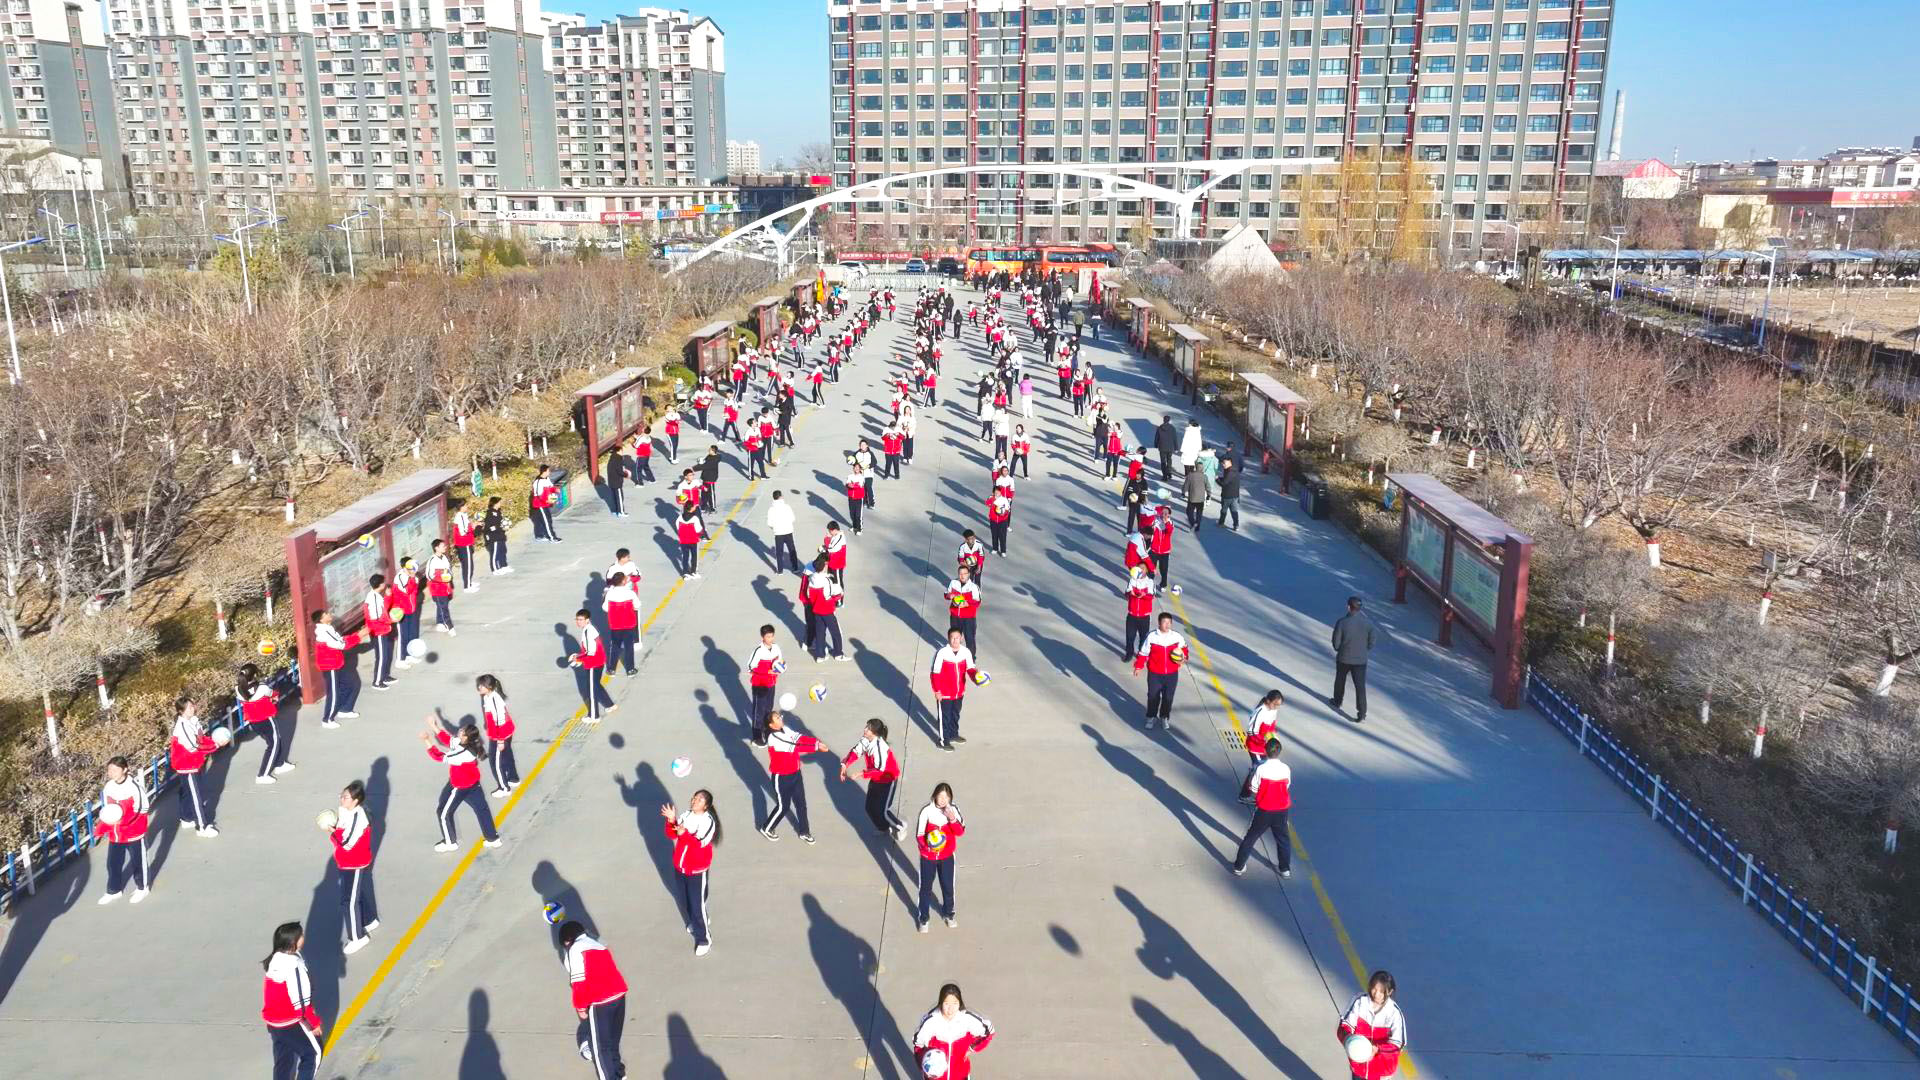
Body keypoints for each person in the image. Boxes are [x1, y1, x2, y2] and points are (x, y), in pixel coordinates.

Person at [559, 920, 629, 1080]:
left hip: (600, 1003)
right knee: (612, 1041)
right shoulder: (598, 944)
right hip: (619, 995)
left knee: (601, 1050)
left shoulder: (575, 949)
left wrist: (580, 1008)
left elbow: (578, 983)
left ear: (567, 941)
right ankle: (620, 1073)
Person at [424, 715, 500, 851]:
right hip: (473, 784)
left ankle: (450, 842)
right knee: (483, 810)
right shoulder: (467, 744)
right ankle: (493, 838)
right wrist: (433, 725)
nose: (459, 730)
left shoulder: (463, 753)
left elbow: (440, 757)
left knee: (443, 813)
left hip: (459, 786)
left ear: (465, 737)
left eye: (462, 731)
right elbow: (448, 740)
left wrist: (427, 741)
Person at [261, 922, 323, 1080]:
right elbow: (300, 1002)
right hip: (290, 1021)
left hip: (274, 1023)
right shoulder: (294, 966)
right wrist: (313, 1023)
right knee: (313, 1053)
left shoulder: (275, 959)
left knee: (284, 1060)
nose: (303, 937)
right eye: (300, 935)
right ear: (292, 942)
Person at [661, 789, 719, 956]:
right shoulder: (686, 815)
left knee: (697, 904)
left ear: (707, 806)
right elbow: (671, 834)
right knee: (685, 900)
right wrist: (671, 820)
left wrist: (683, 833)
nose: (695, 800)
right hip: (680, 867)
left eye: (700, 800)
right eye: (695, 797)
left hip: (697, 870)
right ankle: (696, 918)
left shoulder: (708, 822)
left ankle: (704, 939)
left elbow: (698, 844)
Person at [759, 710, 831, 844]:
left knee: (801, 804)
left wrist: (817, 742)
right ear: (771, 725)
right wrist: (816, 747)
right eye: (777, 718)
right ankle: (767, 827)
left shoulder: (784, 729)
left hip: (796, 774)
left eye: (779, 716)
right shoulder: (774, 738)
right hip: (781, 778)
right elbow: (795, 746)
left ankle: (804, 832)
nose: (780, 718)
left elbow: (798, 738)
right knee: (783, 807)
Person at [94, 755, 152, 904]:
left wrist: (125, 820)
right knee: (113, 863)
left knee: (138, 861)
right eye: (109, 770)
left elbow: (142, 808)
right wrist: (108, 822)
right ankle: (114, 890)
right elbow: (107, 808)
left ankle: (142, 888)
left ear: (125, 769)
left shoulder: (134, 787)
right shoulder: (109, 787)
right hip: (116, 832)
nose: (111, 773)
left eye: (115, 769)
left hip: (133, 831)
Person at [1231, 737, 1292, 878]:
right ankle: (1284, 869)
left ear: (1266, 751)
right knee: (1283, 839)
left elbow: (1253, 788)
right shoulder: (1286, 769)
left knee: (1251, 837)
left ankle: (1239, 866)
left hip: (1264, 810)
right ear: (1279, 751)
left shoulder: (1261, 769)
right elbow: (1287, 785)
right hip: (1281, 810)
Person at [331, 780, 378, 954]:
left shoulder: (359, 818)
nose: (341, 799)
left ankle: (358, 937)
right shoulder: (344, 811)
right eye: (341, 795)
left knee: (348, 902)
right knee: (357, 894)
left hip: (354, 863)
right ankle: (369, 919)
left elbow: (347, 843)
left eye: (345, 797)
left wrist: (330, 831)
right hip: (346, 861)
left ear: (356, 801)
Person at [913, 783, 966, 932]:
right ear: (935, 795)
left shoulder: (953, 809)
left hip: (947, 857)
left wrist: (952, 819)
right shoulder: (926, 811)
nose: (943, 799)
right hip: (928, 857)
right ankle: (924, 918)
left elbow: (960, 832)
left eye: (946, 796)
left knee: (948, 886)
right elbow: (919, 835)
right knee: (925, 889)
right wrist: (928, 846)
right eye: (940, 795)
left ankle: (948, 914)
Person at [913, 982, 994, 1078]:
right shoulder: (931, 1022)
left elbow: (989, 1032)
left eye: (955, 1003)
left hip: (961, 1075)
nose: (950, 1009)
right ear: (941, 1002)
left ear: (960, 1003)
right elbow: (918, 1045)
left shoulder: (967, 1019)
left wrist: (972, 1048)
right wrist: (926, 1061)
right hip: (936, 1077)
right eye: (946, 1004)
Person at [840, 718, 904, 839]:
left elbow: (879, 769)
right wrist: (845, 765)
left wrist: (860, 774)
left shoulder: (880, 747)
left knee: (883, 811)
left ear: (875, 733)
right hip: (876, 779)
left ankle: (900, 827)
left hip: (888, 780)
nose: (865, 729)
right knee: (869, 808)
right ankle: (883, 828)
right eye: (866, 727)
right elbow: (856, 751)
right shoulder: (866, 740)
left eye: (869, 728)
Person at [1337, 971, 1408, 1079]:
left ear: (1390, 992)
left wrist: (1377, 1049)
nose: (1376, 994)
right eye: (1374, 989)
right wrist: (1348, 1039)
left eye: (1381, 991)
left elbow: (1398, 1044)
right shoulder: (1360, 1002)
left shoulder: (1394, 1013)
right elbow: (1344, 1027)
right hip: (1359, 1066)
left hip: (1381, 1071)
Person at [169, 696, 219, 836]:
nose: (193, 708)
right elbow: (193, 747)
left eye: (193, 705)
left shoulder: (194, 721)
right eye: (189, 707)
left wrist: (212, 743)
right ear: (181, 711)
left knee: (188, 792)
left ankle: (186, 817)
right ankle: (202, 826)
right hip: (187, 764)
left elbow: (201, 738)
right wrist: (214, 746)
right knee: (197, 795)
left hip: (195, 762)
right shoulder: (182, 726)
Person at [1132, 612, 1188, 730]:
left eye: (1169, 622)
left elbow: (1184, 649)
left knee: (1168, 697)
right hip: (1155, 674)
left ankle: (1164, 717)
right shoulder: (1152, 637)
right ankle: (1151, 717)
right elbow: (1143, 653)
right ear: (1159, 623)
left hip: (1172, 674)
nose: (1167, 625)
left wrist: (1183, 658)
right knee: (1153, 696)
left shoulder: (1176, 637)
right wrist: (1138, 666)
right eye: (1164, 622)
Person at [239, 663, 291, 782]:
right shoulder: (262, 687)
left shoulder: (239, 689)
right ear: (255, 675)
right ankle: (263, 775)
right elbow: (273, 694)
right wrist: (273, 698)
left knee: (274, 740)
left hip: (253, 721)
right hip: (266, 719)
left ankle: (280, 763)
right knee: (273, 743)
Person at [1330, 596, 1376, 724]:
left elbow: (1336, 643)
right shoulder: (1368, 624)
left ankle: (1337, 701)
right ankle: (1361, 713)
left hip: (1344, 658)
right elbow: (1372, 641)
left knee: (1340, 680)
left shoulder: (1342, 622)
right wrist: (1364, 649)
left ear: (1349, 607)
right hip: (1360, 660)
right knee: (1360, 686)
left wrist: (1340, 649)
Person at [928, 628, 976, 751]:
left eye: (957, 637)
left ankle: (953, 734)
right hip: (945, 693)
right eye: (952, 637)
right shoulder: (942, 653)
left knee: (955, 714)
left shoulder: (966, 652)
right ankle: (943, 741)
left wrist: (977, 678)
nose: (955, 640)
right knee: (945, 717)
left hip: (959, 692)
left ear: (962, 638)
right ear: (948, 638)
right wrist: (937, 691)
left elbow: (970, 669)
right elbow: (935, 673)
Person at [477, 674, 520, 797]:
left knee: (495, 762)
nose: (479, 687)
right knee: (507, 755)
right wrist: (488, 723)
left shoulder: (494, 699)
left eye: (482, 685)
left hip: (500, 734)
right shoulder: (487, 696)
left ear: (489, 686)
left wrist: (500, 740)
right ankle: (513, 778)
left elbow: (500, 719)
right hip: (504, 731)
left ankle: (504, 788)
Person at [570, 609, 617, 722]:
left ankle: (594, 716)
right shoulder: (590, 629)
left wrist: (578, 658)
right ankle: (610, 705)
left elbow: (590, 652)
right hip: (599, 661)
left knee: (591, 690)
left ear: (587, 620)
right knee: (596, 685)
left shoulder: (587, 631)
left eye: (581, 619)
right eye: (577, 619)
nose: (578, 622)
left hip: (593, 663)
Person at [1240, 690, 1284, 804]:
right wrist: (1264, 740)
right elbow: (1251, 732)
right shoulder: (1259, 712)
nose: (1276, 707)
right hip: (1255, 746)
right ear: (1268, 701)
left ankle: (1254, 791)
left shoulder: (1273, 710)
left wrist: (1272, 736)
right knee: (1258, 768)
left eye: (1279, 705)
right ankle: (1245, 795)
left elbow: (1272, 724)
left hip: (1265, 745)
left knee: (1259, 767)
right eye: (1275, 704)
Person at [746, 624, 783, 746]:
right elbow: (751, 667)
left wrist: (781, 667)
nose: (770, 639)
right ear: (762, 637)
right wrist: (767, 671)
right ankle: (757, 738)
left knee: (768, 710)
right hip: (760, 685)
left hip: (771, 683)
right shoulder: (759, 650)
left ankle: (767, 733)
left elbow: (780, 662)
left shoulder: (776, 648)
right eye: (768, 636)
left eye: (772, 636)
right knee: (759, 711)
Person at [602, 572, 641, 677]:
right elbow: (637, 605)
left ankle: (611, 669)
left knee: (615, 646)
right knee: (629, 647)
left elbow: (605, 608)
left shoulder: (610, 593)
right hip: (628, 624)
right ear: (624, 581)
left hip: (615, 624)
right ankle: (630, 669)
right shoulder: (630, 593)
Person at [363, 573, 397, 690]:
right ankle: (377, 682)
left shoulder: (375, 596)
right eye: (383, 582)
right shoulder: (373, 598)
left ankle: (385, 676)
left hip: (381, 630)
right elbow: (377, 616)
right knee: (381, 656)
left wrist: (387, 596)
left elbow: (383, 609)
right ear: (380, 584)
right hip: (379, 631)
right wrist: (390, 621)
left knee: (385, 654)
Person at [808, 568, 849, 662]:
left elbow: (809, 594)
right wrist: (839, 594)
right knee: (836, 632)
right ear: (823, 566)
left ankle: (820, 656)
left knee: (820, 633)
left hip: (817, 610)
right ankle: (838, 654)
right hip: (827, 610)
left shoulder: (811, 579)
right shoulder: (827, 580)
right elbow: (832, 594)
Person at [945, 564, 982, 659]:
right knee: (955, 638)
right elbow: (946, 594)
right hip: (955, 616)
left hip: (969, 618)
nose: (962, 575)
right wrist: (950, 596)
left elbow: (977, 602)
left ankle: (971, 659)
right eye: (960, 573)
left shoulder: (973, 587)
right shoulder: (953, 583)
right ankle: (955, 657)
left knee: (970, 639)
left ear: (969, 574)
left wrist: (967, 603)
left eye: (965, 573)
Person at [1122, 564, 1157, 659]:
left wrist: (1143, 595)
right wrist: (1131, 593)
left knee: (1143, 638)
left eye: (1143, 568)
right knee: (1130, 637)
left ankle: (1141, 655)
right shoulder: (1132, 580)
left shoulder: (1150, 582)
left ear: (1146, 571)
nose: (1141, 570)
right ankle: (1129, 654)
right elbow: (1127, 593)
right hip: (1132, 615)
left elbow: (1152, 596)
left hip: (1144, 616)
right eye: (1139, 568)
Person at [427, 539, 457, 634]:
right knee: (443, 607)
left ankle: (440, 623)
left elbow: (449, 570)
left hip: (446, 587)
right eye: (442, 546)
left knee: (442, 605)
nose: (445, 547)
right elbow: (429, 575)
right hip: (437, 588)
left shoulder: (444, 557)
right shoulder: (432, 560)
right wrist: (441, 578)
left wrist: (449, 578)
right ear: (436, 548)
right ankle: (449, 626)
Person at [767, 489, 799, 573]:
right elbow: (793, 518)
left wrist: (775, 528)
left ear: (773, 498)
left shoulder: (771, 509)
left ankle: (780, 571)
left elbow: (769, 523)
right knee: (792, 550)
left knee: (779, 552)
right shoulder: (787, 507)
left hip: (778, 534)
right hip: (788, 531)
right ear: (781, 497)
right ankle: (795, 568)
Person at [530, 463, 563, 542]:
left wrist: (555, 490)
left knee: (540, 521)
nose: (549, 472)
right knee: (547, 521)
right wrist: (546, 501)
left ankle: (539, 536)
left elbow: (551, 487)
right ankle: (552, 538)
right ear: (544, 471)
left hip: (545, 503)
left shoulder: (547, 479)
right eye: (548, 471)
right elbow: (538, 495)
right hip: (540, 504)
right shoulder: (538, 482)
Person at [674, 502, 707, 579]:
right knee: (694, 556)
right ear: (691, 508)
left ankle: (685, 573)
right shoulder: (695, 518)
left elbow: (678, 528)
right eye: (694, 506)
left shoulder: (679, 518)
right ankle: (693, 571)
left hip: (683, 540)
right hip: (693, 540)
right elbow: (698, 529)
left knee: (685, 556)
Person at [450, 506, 478, 591]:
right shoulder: (460, 517)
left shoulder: (463, 515)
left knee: (467, 564)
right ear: (461, 507)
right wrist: (473, 527)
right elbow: (463, 532)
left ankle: (469, 582)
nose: (467, 507)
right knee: (468, 565)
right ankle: (467, 586)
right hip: (464, 543)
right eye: (465, 505)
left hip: (465, 543)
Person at [483, 496, 512, 575]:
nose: (500, 504)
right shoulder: (490, 513)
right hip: (494, 537)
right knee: (495, 553)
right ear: (495, 503)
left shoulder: (498, 512)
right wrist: (499, 527)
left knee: (503, 550)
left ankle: (504, 565)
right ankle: (495, 569)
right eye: (499, 502)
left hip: (500, 535)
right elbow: (488, 527)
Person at [1149, 506, 1175, 589]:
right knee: (1151, 567)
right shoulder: (1155, 521)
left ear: (1169, 515)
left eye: (1166, 513)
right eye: (1163, 513)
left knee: (1163, 569)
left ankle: (1163, 584)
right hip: (1154, 549)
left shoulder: (1170, 523)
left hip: (1164, 551)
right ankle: (1149, 582)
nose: (1164, 515)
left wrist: (1166, 522)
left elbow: (1169, 531)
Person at [1216, 456, 1242, 530]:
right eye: (1222, 463)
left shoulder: (1229, 472)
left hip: (1227, 495)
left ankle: (1221, 523)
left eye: (1224, 463)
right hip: (1235, 495)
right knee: (1234, 511)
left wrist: (1217, 479)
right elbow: (1227, 479)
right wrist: (1220, 478)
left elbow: (1224, 483)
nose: (1223, 465)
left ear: (1229, 462)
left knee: (1224, 510)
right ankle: (1236, 525)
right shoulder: (1233, 470)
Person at [985, 489, 1012, 558]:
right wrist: (990, 498)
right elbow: (987, 504)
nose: (997, 493)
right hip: (993, 520)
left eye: (998, 492)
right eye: (995, 492)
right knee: (994, 535)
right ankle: (995, 548)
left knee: (1002, 536)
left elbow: (1008, 509)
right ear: (993, 492)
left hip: (1002, 521)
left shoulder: (1004, 499)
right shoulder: (992, 498)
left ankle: (1003, 551)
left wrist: (1004, 514)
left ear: (1000, 492)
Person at [1183, 464, 1211, 531]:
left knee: (1189, 512)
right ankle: (1197, 526)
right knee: (1199, 513)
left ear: (1196, 468)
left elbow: (1186, 485)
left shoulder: (1190, 475)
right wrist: (1208, 495)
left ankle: (1193, 523)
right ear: (1202, 469)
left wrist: (1183, 492)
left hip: (1192, 498)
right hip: (1201, 499)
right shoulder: (1205, 477)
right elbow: (1208, 487)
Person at [844, 461, 869, 535]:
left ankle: (859, 529)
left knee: (858, 514)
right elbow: (847, 483)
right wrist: (849, 485)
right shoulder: (850, 476)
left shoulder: (862, 477)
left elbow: (860, 485)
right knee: (852, 514)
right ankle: (854, 526)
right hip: (851, 498)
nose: (856, 469)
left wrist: (852, 485)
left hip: (859, 498)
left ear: (860, 469)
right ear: (853, 468)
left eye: (858, 468)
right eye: (855, 467)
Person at [1154, 415, 1178, 482]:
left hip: (1162, 447)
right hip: (1170, 447)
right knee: (1169, 459)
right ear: (1169, 420)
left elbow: (1157, 437)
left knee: (1163, 461)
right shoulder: (1172, 428)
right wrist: (1176, 447)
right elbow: (1175, 438)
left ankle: (1164, 476)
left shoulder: (1160, 428)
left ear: (1163, 420)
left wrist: (1156, 445)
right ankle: (1169, 473)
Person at [605, 445, 627, 517]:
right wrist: (626, 475)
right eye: (621, 451)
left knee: (614, 496)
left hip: (611, 481)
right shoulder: (618, 459)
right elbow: (619, 471)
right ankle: (621, 512)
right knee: (620, 497)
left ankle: (614, 510)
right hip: (617, 481)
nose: (622, 452)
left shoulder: (612, 458)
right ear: (619, 451)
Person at [699, 446, 722, 513]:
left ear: (713, 451)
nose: (708, 450)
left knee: (711, 493)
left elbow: (709, 463)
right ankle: (703, 506)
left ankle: (713, 508)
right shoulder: (709, 456)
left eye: (710, 450)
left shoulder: (716, 458)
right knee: (703, 493)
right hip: (705, 478)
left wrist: (703, 463)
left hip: (710, 479)